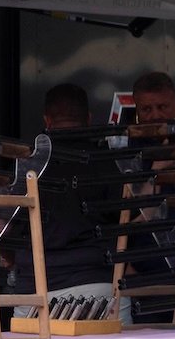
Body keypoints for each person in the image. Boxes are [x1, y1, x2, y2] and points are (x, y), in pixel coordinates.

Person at [16, 84, 115, 306]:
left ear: (47, 120)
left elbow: (6, 227)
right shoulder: (107, 162)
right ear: (88, 118)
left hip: (35, 288)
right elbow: (129, 221)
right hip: (97, 282)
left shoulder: (28, 165)